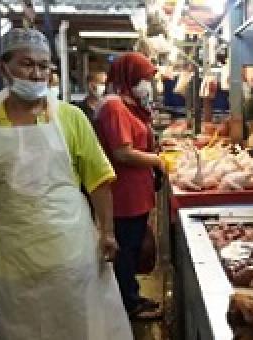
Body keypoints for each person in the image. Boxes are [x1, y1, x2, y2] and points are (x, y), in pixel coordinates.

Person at [0, 28, 133, 340]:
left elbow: (98, 179)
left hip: (69, 249)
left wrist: (107, 230)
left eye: (44, 66)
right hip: (11, 253)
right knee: (21, 327)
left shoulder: (70, 117)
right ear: (3, 67)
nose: (37, 73)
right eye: (26, 64)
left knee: (78, 324)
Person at [96, 52, 164, 320]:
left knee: (132, 247)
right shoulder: (114, 107)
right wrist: (157, 160)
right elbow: (122, 152)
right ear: (130, 76)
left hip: (135, 192)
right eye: (145, 78)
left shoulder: (126, 105)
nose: (148, 83)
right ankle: (128, 305)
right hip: (123, 194)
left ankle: (130, 296)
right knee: (124, 250)